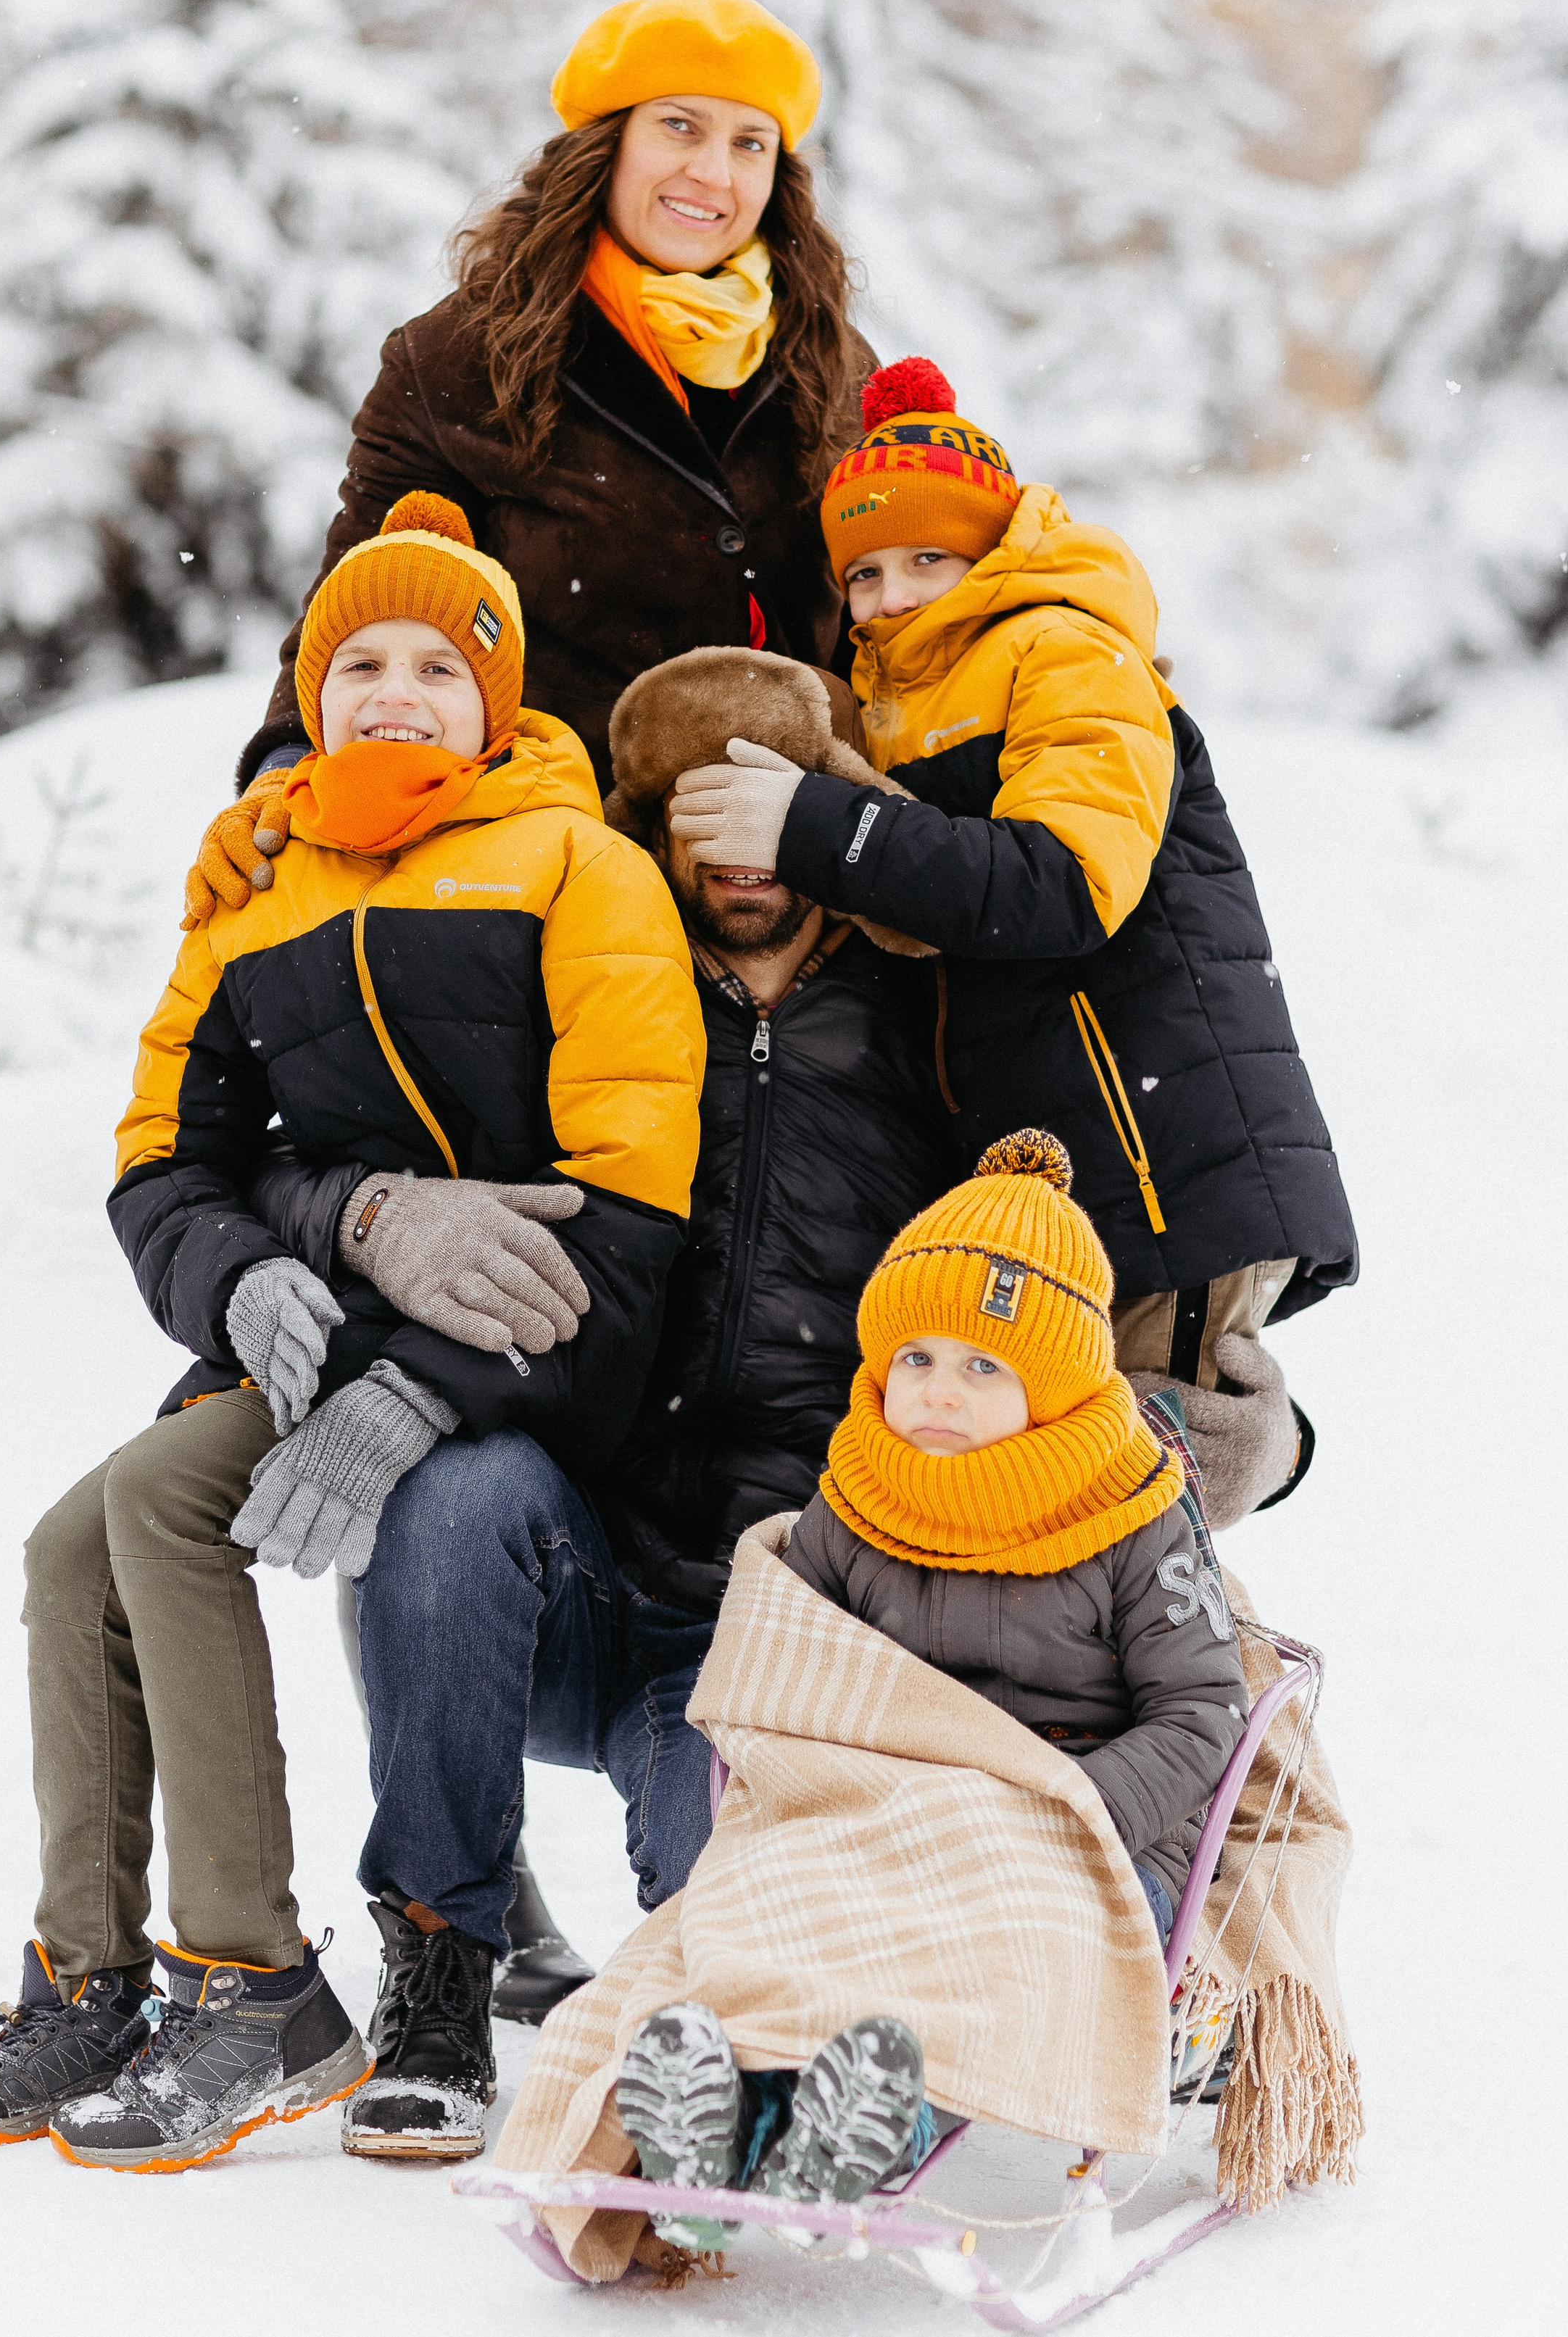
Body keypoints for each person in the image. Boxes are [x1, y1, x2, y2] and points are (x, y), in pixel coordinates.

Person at [0, 491, 702, 2176]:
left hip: (522, 1363)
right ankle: (90, 1973)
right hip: (313, 1333)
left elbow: (624, 1219)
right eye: (356, 664)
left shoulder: (578, 866)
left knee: (163, 1502)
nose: (393, 692)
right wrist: (239, 1268)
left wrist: (416, 1382)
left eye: (434, 662)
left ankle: (253, 1977)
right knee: (66, 1548)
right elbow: (162, 1158)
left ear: (498, 698)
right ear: (310, 697)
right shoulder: (255, 885)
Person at [249, 644, 966, 2156]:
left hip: (778, 1617)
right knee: (447, 1489)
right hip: (588, 1557)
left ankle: (756, 2069)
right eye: (694, 824)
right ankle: (441, 1971)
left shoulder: (921, 1029)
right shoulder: (600, 993)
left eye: (761, 816)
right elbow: (316, 1102)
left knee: (716, 1880)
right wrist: (360, 1212)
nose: (736, 861)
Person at [667, 354, 1358, 1513]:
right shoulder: (895, 703)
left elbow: (1065, 881)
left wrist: (817, 826)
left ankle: (1226, 1693)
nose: (891, 596)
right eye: (867, 573)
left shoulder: (1067, 649)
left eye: (928, 559)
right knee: (1063, 1521)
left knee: (1113, 1520)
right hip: (1072, 1189)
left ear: (990, 550)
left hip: (1159, 1173)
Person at [615, 1129, 1248, 2246]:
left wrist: (1063, 1812)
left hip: (1076, 1835)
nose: (938, 1393)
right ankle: (721, 2121)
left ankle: (873, 2128)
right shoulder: (860, 1493)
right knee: (777, 1906)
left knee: (990, 1953)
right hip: (890, 1811)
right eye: (917, 1357)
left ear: (1053, 1384)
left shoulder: (1132, 1510)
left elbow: (1201, 1710)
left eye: (983, 1366)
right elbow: (785, 1650)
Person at [179, 0, 877, 926]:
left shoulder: (830, 359)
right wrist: (282, 771)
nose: (714, 172)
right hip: (553, 868)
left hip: (785, 880)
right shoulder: (460, 358)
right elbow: (358, 594)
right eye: (680, 127)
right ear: (607, 143)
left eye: (749, 142)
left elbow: (890, 602)